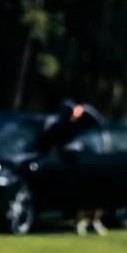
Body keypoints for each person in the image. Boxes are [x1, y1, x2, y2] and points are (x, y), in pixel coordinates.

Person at [36, 99, 108, 234]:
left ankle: (95, 221)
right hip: (76, 158)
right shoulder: (63, 124)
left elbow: (101, 130)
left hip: (93, 154)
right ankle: (79, 221)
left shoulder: (89, 115)